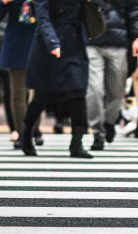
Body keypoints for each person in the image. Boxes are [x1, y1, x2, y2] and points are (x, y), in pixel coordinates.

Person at [22, 0, 92, 158]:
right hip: (51, 43)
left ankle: (77, 144)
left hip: (74, 41)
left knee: (78, 92)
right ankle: (26, 135)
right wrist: (52, 42)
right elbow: (42, 16)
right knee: (43, 95)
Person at [85, 0, 138, 150]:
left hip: (118, 42)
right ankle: (97, 132)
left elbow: (135, 10)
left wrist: (137, 38)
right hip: (92, 40)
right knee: (94, 89)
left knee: (117, 92)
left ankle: (109, 122)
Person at [0, 0, 43, 149]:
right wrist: (3, 3)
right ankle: (22, 133)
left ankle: (34, 129)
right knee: (18, 94)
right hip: (16, 45)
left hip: (38, 42)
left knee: (36, 93)